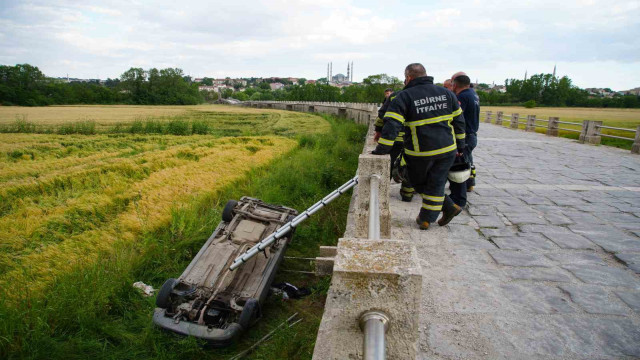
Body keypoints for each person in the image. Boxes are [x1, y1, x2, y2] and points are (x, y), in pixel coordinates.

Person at [372, 63, 466, 230]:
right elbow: (459, 122)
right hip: (447, 149)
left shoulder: (404, 96)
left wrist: (381, 149)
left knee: (416, 181)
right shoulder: (446, 93)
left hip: (420, 151)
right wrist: (461, 145)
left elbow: (392, 125)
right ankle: (428, 217)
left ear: (408, 77)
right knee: (436, 182)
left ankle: (438, 212)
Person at [374, 88, 415, 201]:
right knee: (410, 166)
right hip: (414, 139)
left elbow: (382, 115)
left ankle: (381, 194)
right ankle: (407, 195)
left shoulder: (394, 96)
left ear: (407, 80)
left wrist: (378, 131)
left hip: (395, 138)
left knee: (390, 164)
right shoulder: (424, 95)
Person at [447, 73, 479, 209]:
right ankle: (470, 183)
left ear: (455, 84)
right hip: (472, 134)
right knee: (468, 161)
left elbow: (457, 117)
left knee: (461, 166)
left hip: (465, 136)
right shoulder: (474, 94)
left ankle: (459, 198)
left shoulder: (462, 97)